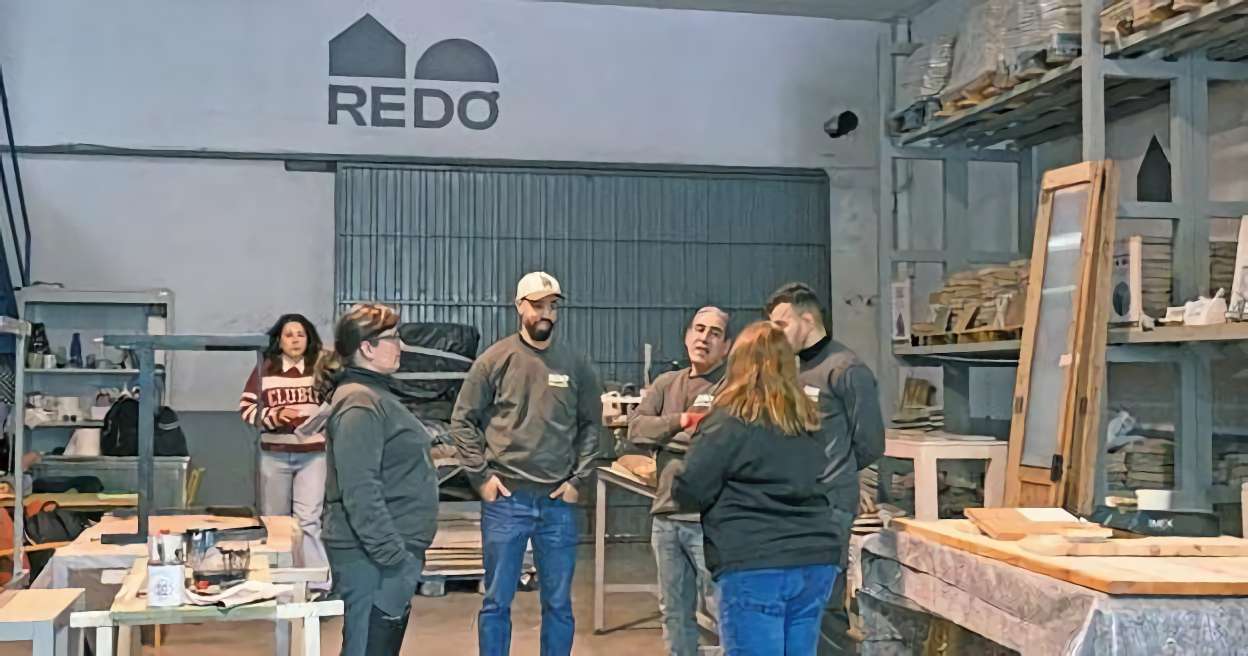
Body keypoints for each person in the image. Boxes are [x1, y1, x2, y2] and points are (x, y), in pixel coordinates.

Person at [450, 271, 603, 656]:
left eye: (552, 306)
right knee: (496, 603)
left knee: (559, 604)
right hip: (507, 500)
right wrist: (482, 477)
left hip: (557, 503)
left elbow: (592, 425)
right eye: (537, 305)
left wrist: (578, 480)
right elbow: (462, 420)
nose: (546, 313)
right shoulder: (494, 360)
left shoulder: (576, 364)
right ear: (519, 307)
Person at [672, 321, 841, 656]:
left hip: (754, 562)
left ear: (738, 364)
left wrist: (675, 472)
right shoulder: (808, 422)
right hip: (814, 560)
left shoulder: (727, 422)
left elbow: (690, 489)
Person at [765, 282, 885, 656]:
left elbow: (870, 442)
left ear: (807, 319)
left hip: (828, 508)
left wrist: (837, 475)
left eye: (781, 324)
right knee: (793, 603)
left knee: (822, 607)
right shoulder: (793, 370)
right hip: (793, 505)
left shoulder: (846, 369)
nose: (775, 334)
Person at [317, 304, 439, 656]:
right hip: (373, 557)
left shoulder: (375, 396)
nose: (400, 345)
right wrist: (393, 556)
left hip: (384, 553)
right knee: (367, 646)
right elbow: (360, 489)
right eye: (392, 338)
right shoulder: (360, 403)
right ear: (367, 348)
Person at [628, 306, 731, 656]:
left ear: (726, 346)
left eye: (715, 333)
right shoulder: (666, 384)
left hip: (711, 520)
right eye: (699, 329)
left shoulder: (732, 387)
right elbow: (636, 430)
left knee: (723, 611)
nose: (704, 338)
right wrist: (684, 421)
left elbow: (723, 441)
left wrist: (664, 437)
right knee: (673, 612)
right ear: (687, 336)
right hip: (666, 516)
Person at [238, 313, 331, 592]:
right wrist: (276, 416)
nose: (295, 340)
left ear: (309, 339)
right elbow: (246, 408)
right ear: (278, 340)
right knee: (275, 520)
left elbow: (336, 402)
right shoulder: (265, 368)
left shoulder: (320, 368)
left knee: (309, 520)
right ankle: (279, 583)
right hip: (274, 454)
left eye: (300, 334)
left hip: (313, 454)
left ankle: (317, 584)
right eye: (289, 335)